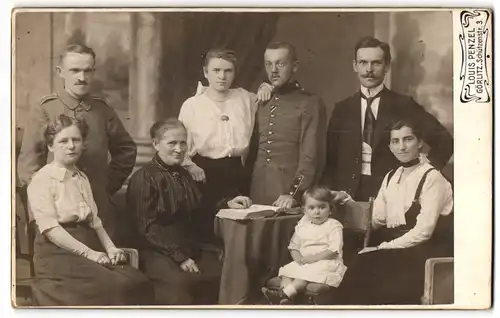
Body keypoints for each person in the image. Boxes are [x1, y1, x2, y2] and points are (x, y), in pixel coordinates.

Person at [27, 114, 152, 306]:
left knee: (137, 281)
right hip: (56, 253)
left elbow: (95, 222)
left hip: (87, 243)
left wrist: (110, 248)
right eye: (63, 141)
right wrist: (89, 254)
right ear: (51, 146)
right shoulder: (42, 179)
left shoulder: (81, 177)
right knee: (116, 285)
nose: (71, 146)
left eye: (76, 140)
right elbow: (51, 230)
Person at [126, 118, 253, 305]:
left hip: (188, 247)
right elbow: (146, 228)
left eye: (183, 142)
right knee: (181, 284)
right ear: (155, 144)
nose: (179, 149)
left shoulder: (184, 174)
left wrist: (228, 203)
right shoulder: (144, 178)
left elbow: (201, 206)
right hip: (155, 251)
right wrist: (181, 258)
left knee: (225, 275)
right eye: (172, 143)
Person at [18, 44, 137, 241]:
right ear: (60, 72)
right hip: (57, 210)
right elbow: (29, 163)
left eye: (87, 71)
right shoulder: (46, 109)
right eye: (74, 70)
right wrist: (43, 200)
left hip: (98, 209)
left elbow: (126, 149)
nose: (81, 77)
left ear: (93, 72)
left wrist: (107, 185)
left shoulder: (102, 109)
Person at [332, 118, 453, 305]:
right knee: (357, 260)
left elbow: (424, 232)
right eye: (395, 141)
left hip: (425, 252)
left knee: (367, 265)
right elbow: (377, 219)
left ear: (420, 142)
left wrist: (382, 247)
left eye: (408, 139)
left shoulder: (432, 177)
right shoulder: (391, 177)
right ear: (389, 146)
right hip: (398, 249)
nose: (401, 147)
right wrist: (347, 203)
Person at [322, 36, 453, 202]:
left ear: (387, 66)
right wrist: (330, 193)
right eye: (363, 62)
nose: (369, 69)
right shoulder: (342, 109)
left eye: (376, 63)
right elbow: (330, 159)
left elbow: (445, 142)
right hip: (346, 199)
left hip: (393, 197)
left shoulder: (404, 105)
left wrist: (420, 176)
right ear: (355, 66)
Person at [178, 48, 271, 242]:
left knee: (237, 230)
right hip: (203, 173)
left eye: (228, 71)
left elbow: (268, 99)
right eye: (216, 70)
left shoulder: (244, 98)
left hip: (237, 172)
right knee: (207, 228)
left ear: (234, 73)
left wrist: (266, 87)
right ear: (205, 73)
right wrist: (190, 165)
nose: (222, 76)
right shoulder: (192, 105)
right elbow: (180, 143)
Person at [248, 41, 327, 207]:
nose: (273, 70)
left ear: (295, 66)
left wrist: (294, 193)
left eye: (280, 64)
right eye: (268, 64)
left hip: (287, 194)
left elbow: (310, 155)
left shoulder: (309, 102)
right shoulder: (262, 101)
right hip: (256, 190)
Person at [261, 186, 347, 305]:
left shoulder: (333, 226)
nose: (317, 212)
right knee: (286, 274)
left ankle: (283, 295)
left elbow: (333, 250)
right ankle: (286, 299)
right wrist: (298, 259)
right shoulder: (303, 226)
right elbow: (294, 247)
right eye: (311, 208)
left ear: (330, 209)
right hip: (306, 262)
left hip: (325, 262)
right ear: (305, 210)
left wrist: (312, 259)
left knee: (302, 278)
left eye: (322, 207)